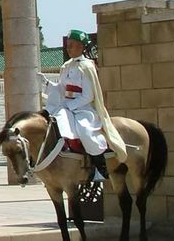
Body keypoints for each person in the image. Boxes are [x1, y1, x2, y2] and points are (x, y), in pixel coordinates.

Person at [38, 29, 127, 180]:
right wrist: (46, 83)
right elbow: (61, 88)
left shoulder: (87, 67)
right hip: (66, 106)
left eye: (72, 45)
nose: (68, 48)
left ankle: (100, 168)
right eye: (68, 45)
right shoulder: (66, 66)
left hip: (83, 108)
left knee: (85, 131)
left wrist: (70, 106)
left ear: (80, 46)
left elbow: (88, 95)